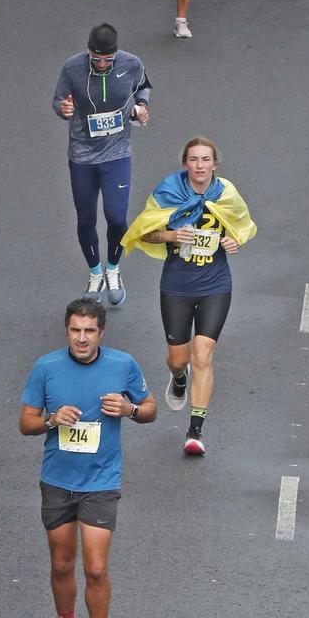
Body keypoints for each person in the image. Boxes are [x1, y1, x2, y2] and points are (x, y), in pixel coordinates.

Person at [19, 298, 155, 618]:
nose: (82, 338)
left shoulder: (122, 365)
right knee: (62, 564)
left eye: (89, 331)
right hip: (58, 480)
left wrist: (129, 409)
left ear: (101, 333)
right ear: (67, 331)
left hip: (100, 481)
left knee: (95, 568)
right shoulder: (46, 368)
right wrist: (50, 419)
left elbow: (150, 410)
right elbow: (25, 423)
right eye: (75, 330)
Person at [122, 137, 256, 457]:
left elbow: (242, 226)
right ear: (185, 164)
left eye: (205, 160)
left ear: (215, 164)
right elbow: (144, 230)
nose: (199, 166)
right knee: (180, 359)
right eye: (193, 160)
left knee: (203, 354)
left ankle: (195, 431)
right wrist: (170, 234)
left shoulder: (225, 193)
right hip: (177, 286)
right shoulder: (169, 191)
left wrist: (233, 242)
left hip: (215, 284)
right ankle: (178, 377)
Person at [53, 22, 152, 303]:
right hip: (82, 155)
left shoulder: (131, 64)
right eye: (96, 59)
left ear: (116, 55)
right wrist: (63, 109)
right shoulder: (72, 68)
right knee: (86, 218)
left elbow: (144, 86)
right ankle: (95, 273)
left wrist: (142, 107)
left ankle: (113, 268)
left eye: (107, 60)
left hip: (117, 153)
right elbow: (58, 99)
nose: (101, 65)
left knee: (117, 217)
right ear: (88, 53)